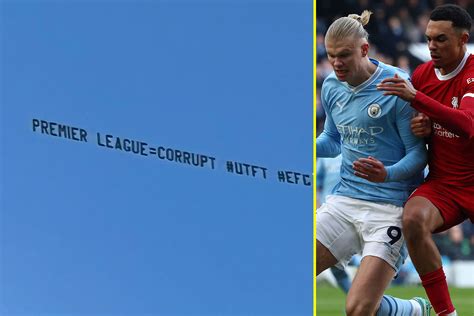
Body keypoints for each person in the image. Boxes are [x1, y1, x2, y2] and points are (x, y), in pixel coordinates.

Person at [316, 10, 431, 316]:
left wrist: (387, 174)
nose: (336, 63)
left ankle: (413, 311)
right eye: (331, 56)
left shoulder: (397, 87)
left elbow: (419, 155)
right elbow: (332, 140)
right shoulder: (331, 86)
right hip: (344, 201)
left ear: (364, 49)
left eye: (344, 55)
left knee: (357, 310)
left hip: (390, 209)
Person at [377, 4, 474, 316]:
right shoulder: (421, 75)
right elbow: (420, 123)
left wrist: (418, 100)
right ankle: (447, 313)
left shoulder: (472, 75)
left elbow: (468, 124)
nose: (432, 46)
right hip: (444, 184)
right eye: (429, 39)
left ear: (463, 40)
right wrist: (422, 127)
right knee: (413, 219)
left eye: (441, 40)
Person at [317, 155, 352, 294]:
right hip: (330, 212)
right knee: (335, 266)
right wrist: (319, 206)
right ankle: (356, 302)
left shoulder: (361, 148)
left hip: (357, 211)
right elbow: (317, 184)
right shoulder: (326, 157)